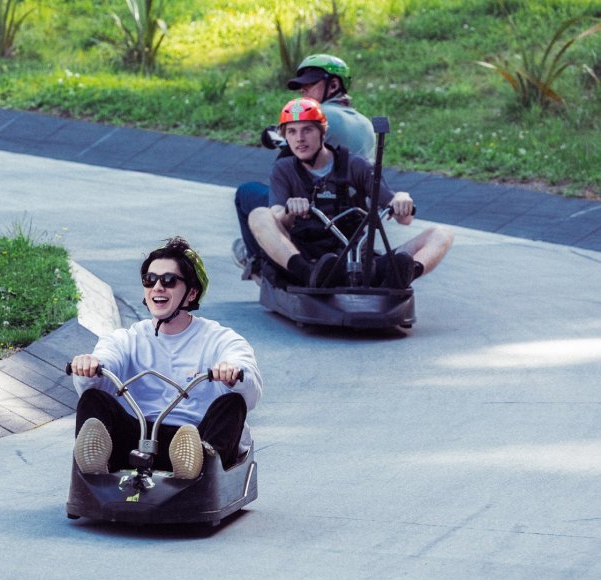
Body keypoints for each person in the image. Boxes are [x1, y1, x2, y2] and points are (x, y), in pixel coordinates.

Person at [70, 237, 262, 479]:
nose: (158, 287)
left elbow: (247, 376)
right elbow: (107, 358)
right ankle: (96, 470)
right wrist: (91, 366)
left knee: (232, 403)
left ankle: (201, 466)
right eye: (150, 280)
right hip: (136, 440)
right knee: (93, 398)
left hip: (193, 438)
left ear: (191, 293)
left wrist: (233, 372)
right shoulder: (126, 339)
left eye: (169, 280)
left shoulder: (220, 339)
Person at [249, 97, 453, 288]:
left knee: (442, 233)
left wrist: (401, 198)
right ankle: (310, 275)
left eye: (307, 130)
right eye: (292, 132)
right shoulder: (284, 168)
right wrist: (290, 211)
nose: (300, 139)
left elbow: (404, 219)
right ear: (285, 136)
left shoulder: (355, 165)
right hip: (308, 260)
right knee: (258, 215)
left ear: (322, 132)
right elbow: (277, 219)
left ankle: (402, 276)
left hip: (357, 261)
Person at [234, 54, 376, 281]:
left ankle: (261, 263)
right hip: (353, 215)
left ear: (334, 85)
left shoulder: (320, 117)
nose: (304, 91)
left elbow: (282, 156)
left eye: (310, 84)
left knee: (246, 193)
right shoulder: (365, 123)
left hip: (311, 208)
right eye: (302, 86)